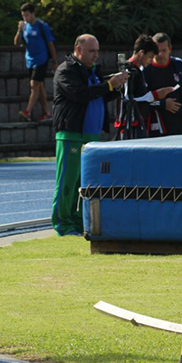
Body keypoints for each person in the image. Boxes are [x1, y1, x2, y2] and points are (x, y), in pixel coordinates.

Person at [51, 34, 126, 236]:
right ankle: (62, 223)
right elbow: (80, 94)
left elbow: (99, 95)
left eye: (97, 51)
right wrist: (109, 85)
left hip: (90, 136)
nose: (96, 55)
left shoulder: (91, 71)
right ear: (78, 49)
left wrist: (117, 87)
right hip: (72, 135)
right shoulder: (66, 70)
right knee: (67, 181)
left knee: (81, 183)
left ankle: (76, 221)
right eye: (92, 51)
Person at [143, 32, 182, 136]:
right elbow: (142, 101)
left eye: (164, 50)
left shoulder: (178, 65)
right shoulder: (146, 70)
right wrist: (163, 104)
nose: (160, 55)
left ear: (170, 49)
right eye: (157, 51)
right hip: (159, 128)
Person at [115, 34, 174, 140]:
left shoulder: (139, 71)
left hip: (139, 121)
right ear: (141, 53)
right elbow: (127, 98)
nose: (151, 60)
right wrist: (155, 95)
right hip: (130, 123)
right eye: (150, 57)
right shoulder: (128, 70)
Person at [13, 2, 57, 123]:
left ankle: (27, 111)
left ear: (33, 14)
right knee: (40, 87)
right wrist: (19, 30)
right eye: (23, 15)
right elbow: (16, 43)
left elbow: (50, 44)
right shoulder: (25, 27)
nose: (25, 18)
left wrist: (54, 60)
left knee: (34, 84)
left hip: (41, 60)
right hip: (30, 61)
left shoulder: (43, 26)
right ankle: (46, 112)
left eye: (27, 15)